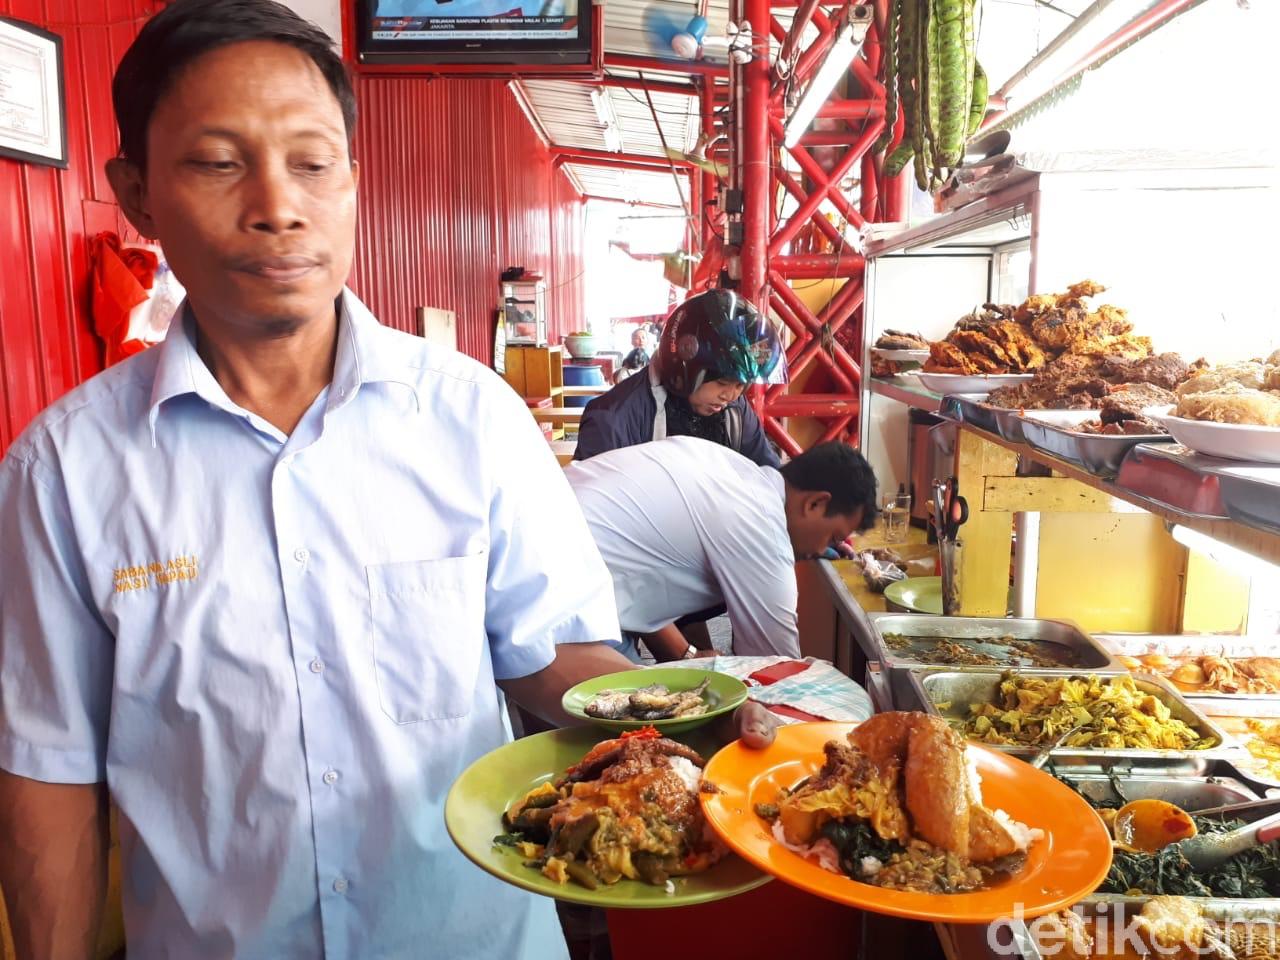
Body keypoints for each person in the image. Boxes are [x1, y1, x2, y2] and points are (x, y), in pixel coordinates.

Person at [0, 3, 775, 958]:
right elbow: (48, 771)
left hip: (471, 937)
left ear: (354, 184)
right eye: (217, 161)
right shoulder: (63, 473)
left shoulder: (473, 419)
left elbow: (544, 656)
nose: (278, 205)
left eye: (313, 163)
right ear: (138, 192)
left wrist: (694, 714)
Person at [564, 437, 878, 662]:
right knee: (630, 739)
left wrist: (682, 654)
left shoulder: (736, 472)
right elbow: (773, 666)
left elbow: (638, 553)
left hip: (553, 548)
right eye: (833, 535)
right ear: (815, 503)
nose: (824, 548)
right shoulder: (760, 526)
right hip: (565, 598)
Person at [574, 289, 784, 466]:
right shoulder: (612, 421)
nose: (730, 395)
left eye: (740, 385)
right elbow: (592, 508)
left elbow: (767, 472)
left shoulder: (735, 412)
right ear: (685, 370)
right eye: (722, 383)